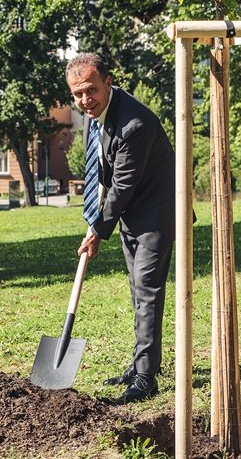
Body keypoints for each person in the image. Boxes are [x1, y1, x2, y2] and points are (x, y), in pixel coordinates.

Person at [66, 53, 175, 404]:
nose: (85, 100)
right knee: (137, 292)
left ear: (108, 82)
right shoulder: (95, 115)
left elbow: (122, 186)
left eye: (91, 91)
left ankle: (145, 378)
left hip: (155, 215)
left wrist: (98, 229)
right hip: (130, 213)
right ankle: (142, 363)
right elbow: (100, 172)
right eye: (78, 94)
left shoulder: (134, 124)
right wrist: (94, 219)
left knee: (147, 292)